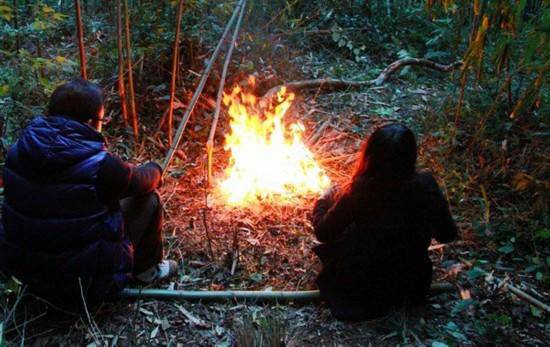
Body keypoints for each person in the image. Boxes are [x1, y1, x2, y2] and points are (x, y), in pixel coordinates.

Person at [0, 78, 177, 310]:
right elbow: (143, 181)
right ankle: (146, 271)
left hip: (24, 279)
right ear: (92, 122)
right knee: (148, 199)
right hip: (84, 288)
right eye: (102, 119)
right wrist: (156, 169)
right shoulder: (102, 167)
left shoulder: (16, 152)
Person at [311, 123, 457, 321]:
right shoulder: (426, 185)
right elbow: (447, 234)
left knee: (348, 234)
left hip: (363, 288)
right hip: (412, 285)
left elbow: (324, 233)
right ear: (411, 155)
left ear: (371, 155)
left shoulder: (361, 190)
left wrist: (322, 202)